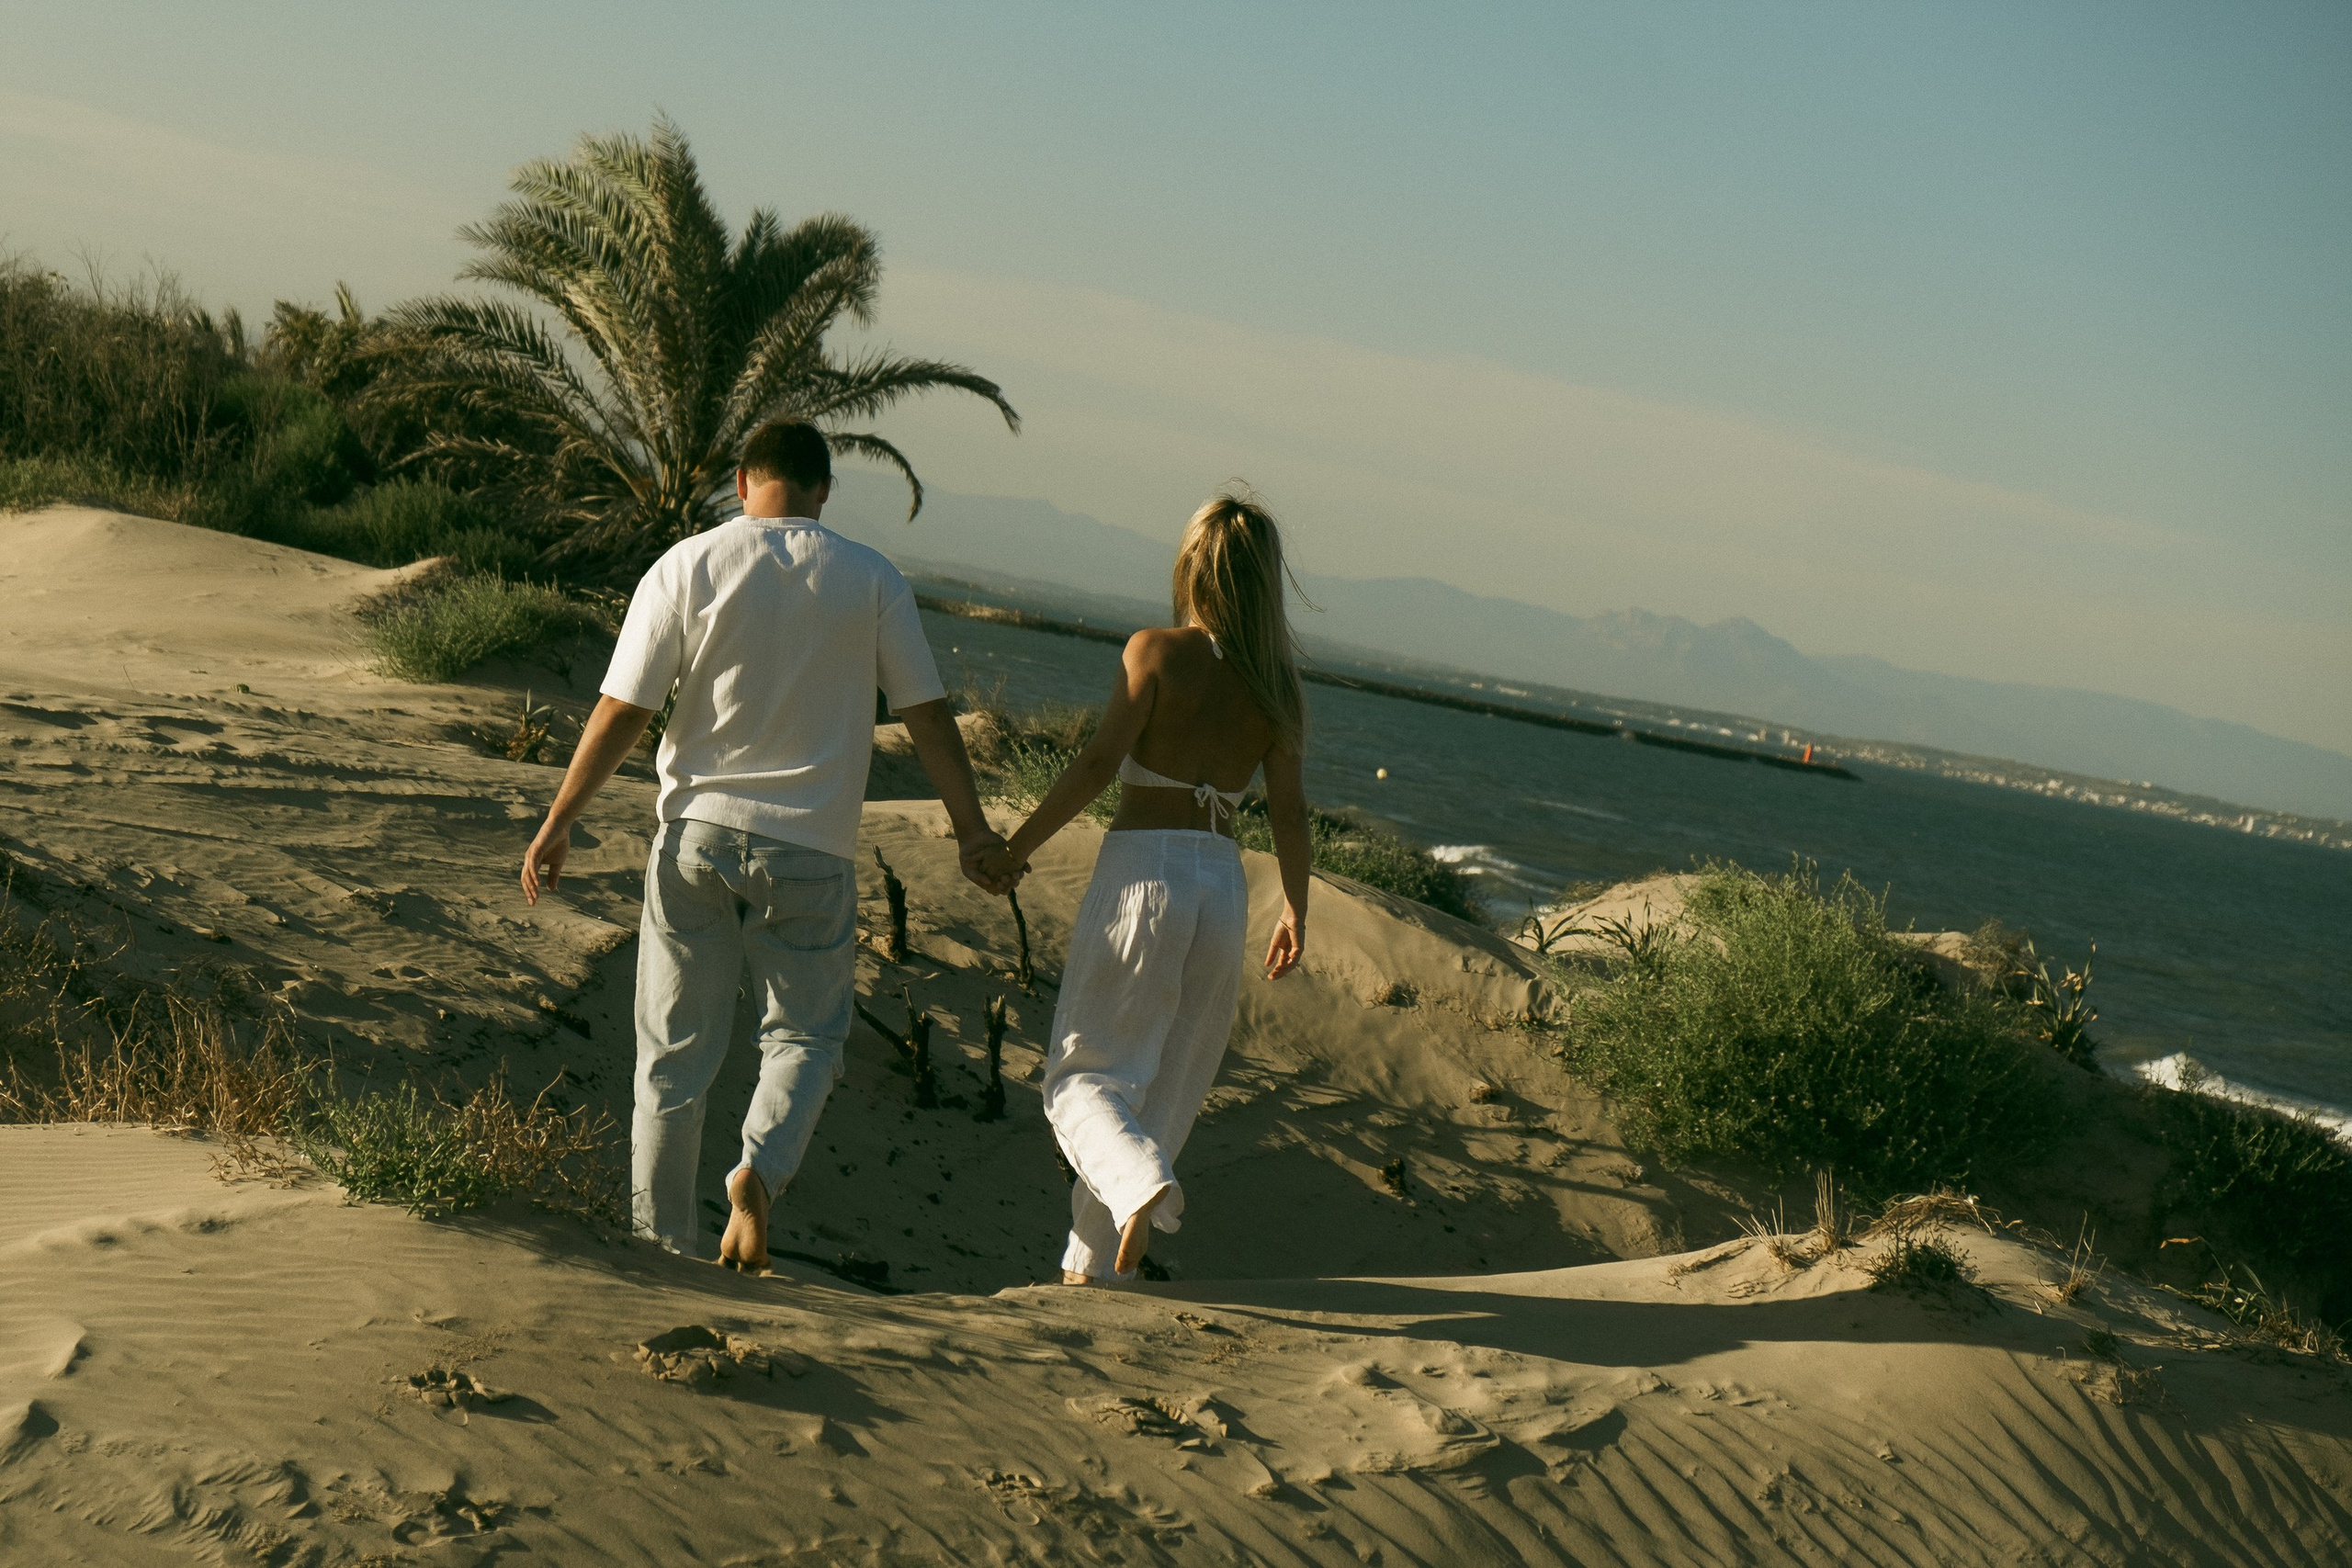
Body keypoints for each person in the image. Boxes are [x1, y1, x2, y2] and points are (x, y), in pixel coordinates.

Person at [521, 419, 1007, 1272]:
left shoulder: (688, 564)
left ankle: (661, 1246)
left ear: (742, 483)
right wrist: (971, 830)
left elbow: (625, 708)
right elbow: (926, 713)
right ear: (823, 491)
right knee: (808, 1039)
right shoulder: (871, 577)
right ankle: (759, 1170)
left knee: (672, 1061)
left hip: (696, 838)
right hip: (812, 850)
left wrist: (561, 817)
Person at [981, 488, 1311, 1284]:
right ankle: (1093, 1273)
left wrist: (1016, 847)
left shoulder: (1155, 653)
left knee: (1079, 1076)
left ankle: (1138, 1189)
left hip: (1147, 873)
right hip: (1222, 886)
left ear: (1191, 566)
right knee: (1167, 1087)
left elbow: (1097, 765)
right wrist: (1297, 906)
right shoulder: (1277, 689)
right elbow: (1292, 813)